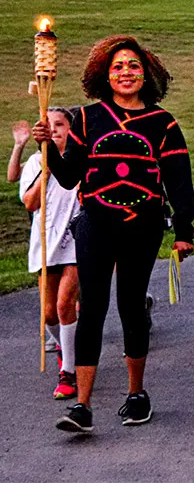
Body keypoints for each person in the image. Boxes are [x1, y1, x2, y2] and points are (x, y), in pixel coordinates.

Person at [33, 35, 194, 434]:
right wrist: (49, 148)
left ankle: (136, 394)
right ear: (105, 75)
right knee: (93, 308)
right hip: (95, 225)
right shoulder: (86, 119)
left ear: (147, 74)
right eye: (119, 66)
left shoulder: (163, 123)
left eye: (134, 66)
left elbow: (178, 180)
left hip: (143, 227)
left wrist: (184, 228)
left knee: (130, 306)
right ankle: (82, 405)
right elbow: (71, 178)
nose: (126, 72)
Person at [21, 107, 80, 400]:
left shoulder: (80, 160)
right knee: (48, 314)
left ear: (71, 129)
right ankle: (63, 345)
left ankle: (68, 372)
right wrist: (46, 168)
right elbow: (30, 203)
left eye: (60, 124)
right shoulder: (34, 163)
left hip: (75, 241)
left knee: (65, 303)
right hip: (45, 243)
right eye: (49, 125)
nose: (54, 129)